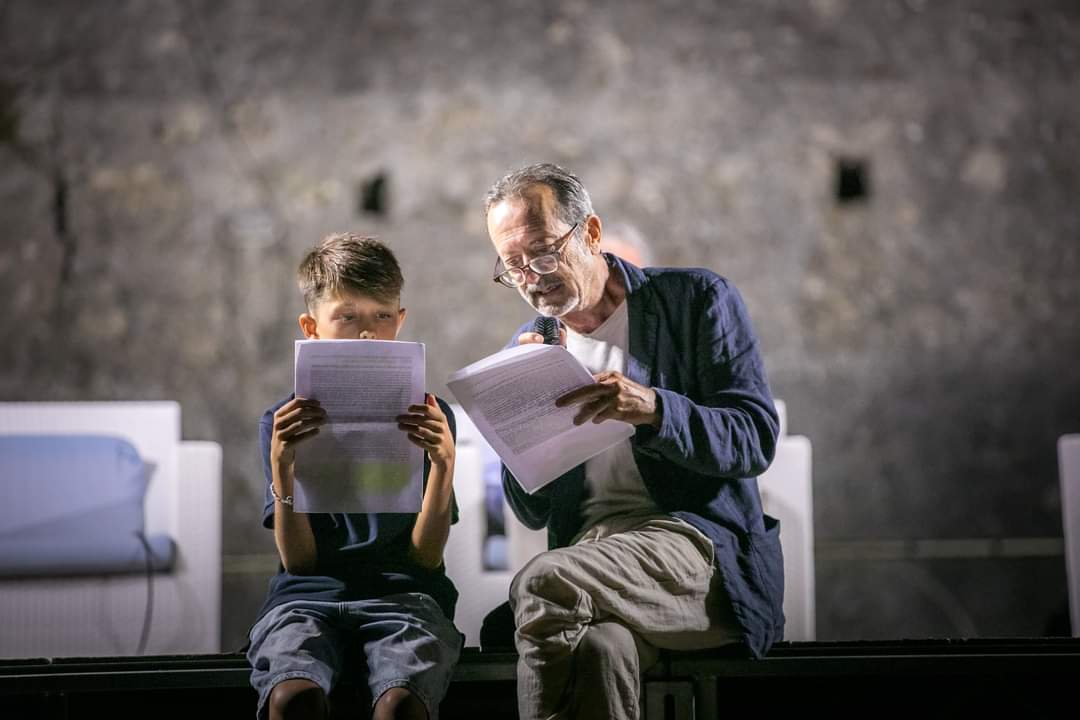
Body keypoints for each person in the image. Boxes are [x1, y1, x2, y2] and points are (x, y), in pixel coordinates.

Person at [483, 163, 783, 719]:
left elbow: (755, 439)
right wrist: (519, 424)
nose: (532, 276)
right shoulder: (532, 347)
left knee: (543, 581)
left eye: (544, 252)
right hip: (594, 557)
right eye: (513, 265)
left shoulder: (695, 299)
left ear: (590, 234)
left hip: (695, 546)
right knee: (599, 650)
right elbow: (529, 510)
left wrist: (655, 410)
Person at [246, 233, 462, 720]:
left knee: (402, 702)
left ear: (400, 321)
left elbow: (426, 557)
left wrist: (444, 466)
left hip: (406, 596)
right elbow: (300, 564)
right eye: (347, 316)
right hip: (305, 600)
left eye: (382, 316)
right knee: (292, 696)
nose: (368, 333)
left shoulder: (432, 415)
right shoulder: (281, 421)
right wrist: (284, 467)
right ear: (312, 327)